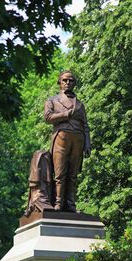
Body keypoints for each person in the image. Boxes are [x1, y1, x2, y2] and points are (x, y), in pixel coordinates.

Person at [44, 71, 91, 212]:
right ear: (59, 82)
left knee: (73, 174)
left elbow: (85, 125)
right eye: (64, 80)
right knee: (59, 172)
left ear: (74, 83)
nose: (67, 83)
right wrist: (65, 115)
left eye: (70, 80)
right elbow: (47, 117)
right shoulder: (52, 100)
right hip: (61, 137)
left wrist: (87, 144)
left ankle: (70, 204)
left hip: (78, 139)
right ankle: (58, 203)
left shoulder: (80, 105)